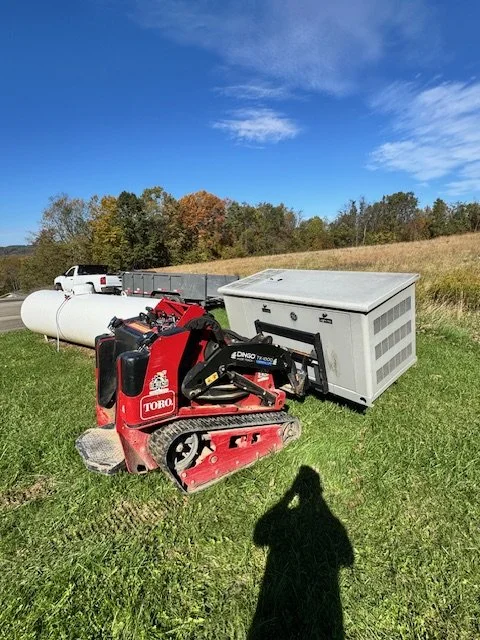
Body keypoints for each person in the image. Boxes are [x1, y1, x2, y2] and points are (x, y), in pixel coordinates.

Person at [248, 466, 354, 640]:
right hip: (322, 596)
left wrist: (287, 498)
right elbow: (347, 558)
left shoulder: (307, 519)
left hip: (279, 590)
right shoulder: (332, 524)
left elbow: (260, 536)